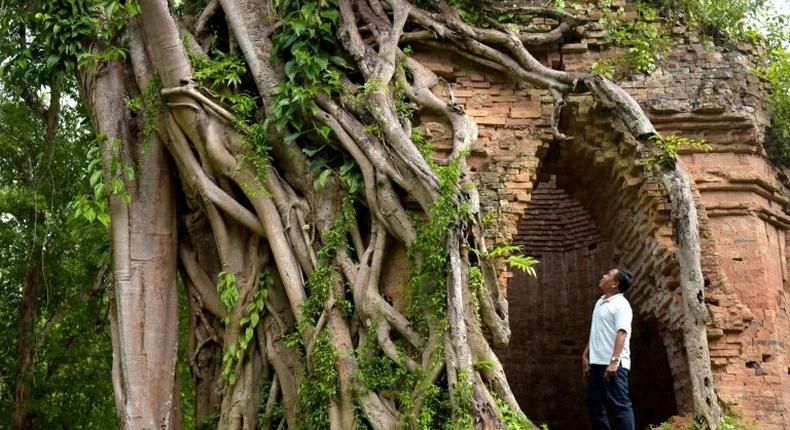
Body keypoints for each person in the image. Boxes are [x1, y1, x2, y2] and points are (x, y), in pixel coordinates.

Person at [582, 267, 635, 430]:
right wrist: (585, 355)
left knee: (620, 406)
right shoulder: (600, 302)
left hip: (614, 365)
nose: (603, 275)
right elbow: (597, 331)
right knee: (594, 405)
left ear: (615, 283)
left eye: (608, 275)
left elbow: (622, 333)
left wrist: (614, 361)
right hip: (596, 363)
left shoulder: (621, 305)